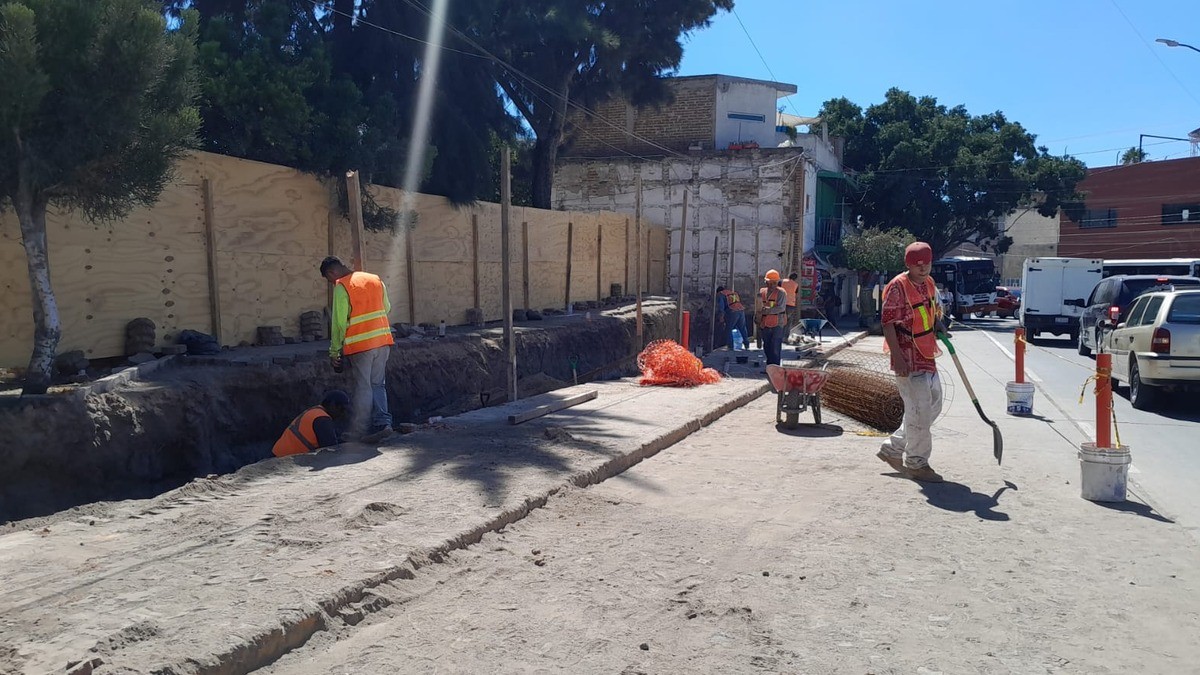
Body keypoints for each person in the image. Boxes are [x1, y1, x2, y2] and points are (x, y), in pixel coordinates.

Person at [877, 242, 948, 483]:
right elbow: (887, 323)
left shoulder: (929, 283)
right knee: (920, 411)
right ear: (908, 265)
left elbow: (932, 309)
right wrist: (897, 358)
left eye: (926, 263)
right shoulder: (898, 287)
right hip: (907, 357)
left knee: (933, 405)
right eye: (918, 265)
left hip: (927, 354)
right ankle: (917, 462)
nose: (923, 268)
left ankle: (893, 448)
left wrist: (938, 325)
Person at [320, 256, 395, 443]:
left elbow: (338, 323)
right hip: (383, 342)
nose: (332, 283)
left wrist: (334, 351)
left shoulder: (342, 286)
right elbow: (387, 308)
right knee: (378, 384)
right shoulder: (374, 279)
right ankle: (384, 424)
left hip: (361, 346)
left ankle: (359, 430)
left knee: (364, 386)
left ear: (332, 272)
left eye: (329, 280)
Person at [272, 390, 351, 457]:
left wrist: (345, 439)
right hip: (285, 459)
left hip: (279, 455)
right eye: (341, 409)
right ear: (332, 405)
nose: (343, 413)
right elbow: (330, 450)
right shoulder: (322, 419)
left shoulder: (315, 412)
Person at [757, 269, 789, 366]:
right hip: (765, 322)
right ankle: (769, 366)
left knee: (775, 345)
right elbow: (758, 306)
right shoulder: (762, 292)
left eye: (774, 283)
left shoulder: (781, 293)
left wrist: (767, 310)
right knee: (767, 345)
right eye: (769, 283)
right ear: (766, 282)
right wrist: (757, 317)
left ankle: (775, 367)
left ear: (777, 282)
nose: (771, 285)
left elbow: (781, 307)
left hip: (777, 322)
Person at [716, 285, 749, 350]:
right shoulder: (732, 293)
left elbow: (721, 307)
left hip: (732, 312)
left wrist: (721, 316)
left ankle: (730, 347)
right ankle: (747, 344)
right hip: (741, 310)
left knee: (728, 329)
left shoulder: (720, 294)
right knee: (742, 328)